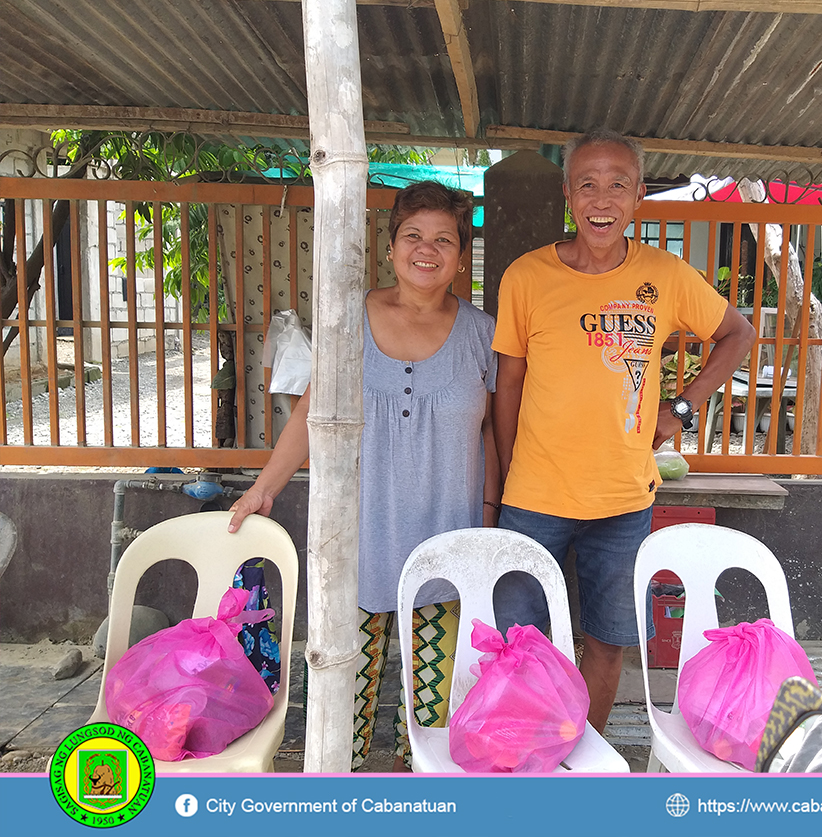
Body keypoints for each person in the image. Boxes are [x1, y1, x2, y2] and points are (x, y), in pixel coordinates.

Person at [228, 180, 500, 771]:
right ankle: (340, 807)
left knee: (432, 722)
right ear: (392, 247)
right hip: (354, 546)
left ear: (460, 254)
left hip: (445, 550)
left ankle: (418, 805)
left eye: (443, 240)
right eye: (413, 236)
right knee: (341, 708)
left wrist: (488, 519)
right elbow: (309, 413)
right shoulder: (347, 321)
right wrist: (263, 488)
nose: (426, 250)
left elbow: (494, 436)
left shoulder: (483, 334)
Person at [492, 129, 756, 733]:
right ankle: (523, 759)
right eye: (587, 184)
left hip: (621, 501)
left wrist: (682, 410)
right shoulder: (526, 277)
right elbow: (507, 386)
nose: (602, 199)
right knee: (519, 642)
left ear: (638, 196)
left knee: (606, 643)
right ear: (568, 194)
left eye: (617, 185)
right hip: (533, 499)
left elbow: (738, 334)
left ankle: (581, 756)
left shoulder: (664, 275)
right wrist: (507, 478)